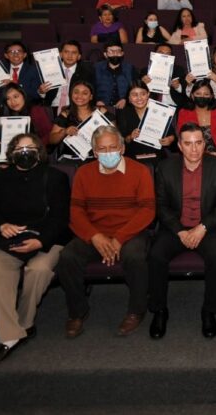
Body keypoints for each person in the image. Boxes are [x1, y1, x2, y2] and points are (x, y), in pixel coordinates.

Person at [56, 125, 155, 338]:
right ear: (94, 152)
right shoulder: (83, 173)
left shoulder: (140, 171)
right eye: (102, 149)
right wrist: (95, 236)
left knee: (134, 256)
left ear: (122, 148)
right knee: (67, 257)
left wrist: (119, 239)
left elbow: (147, 210)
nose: (108, 153)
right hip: (95, 232)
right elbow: (76, 211)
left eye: (113, 147)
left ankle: (136, 310)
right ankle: (77, 312)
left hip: (130, 232)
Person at [0, 133, 70, 363]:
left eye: (30, 148)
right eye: (19, 149)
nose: (24, 153)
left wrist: (41, 241)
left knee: (39, 270)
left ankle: (25, 322)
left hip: (46, 238)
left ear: (39, 152)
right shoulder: (1, 178)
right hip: (11, 238)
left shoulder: (55, 177)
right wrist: (2, 225)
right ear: (11, 154)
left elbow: (61, 219)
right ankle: (10, 336)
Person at [148, 123, 216, 340]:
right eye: (188, 144)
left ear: (205, 144)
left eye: (198, 143)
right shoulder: (165, 168)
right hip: (175, 228)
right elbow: (161, 206)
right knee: (156, 255)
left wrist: (202, 228)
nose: (194, 149)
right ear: (179, 146)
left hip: (208, 227)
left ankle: (209, 311)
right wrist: (180, 231)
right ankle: (159, 310)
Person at [49, 80, 113, 163]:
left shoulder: (101, 111)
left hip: (97, 158)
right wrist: (65, 131)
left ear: (91, 97)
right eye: (76, 92)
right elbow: (52, 140)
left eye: (85, 93)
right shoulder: (66, 114)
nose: (79, 96)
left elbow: (115, 135)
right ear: (71, 94)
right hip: (70, 159)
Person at [116, 80, 175, 164]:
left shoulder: (159, 111)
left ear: (148, 94)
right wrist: (130, 137)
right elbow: (121, 140)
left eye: (143, 94)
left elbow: (172, 135)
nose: (139, 98)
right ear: (129, 98)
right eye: (134, 95)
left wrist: (170, 139)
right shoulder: (124, 113)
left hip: (157, 156)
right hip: (134, 157)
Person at [0, 83, 53, 156]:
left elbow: (49, 135)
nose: (13, 102)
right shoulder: (1, 113)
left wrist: (35, 146)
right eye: (8, 99)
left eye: (16, 97)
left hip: (34, 155)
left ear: (23, 95)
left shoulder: (36, 111)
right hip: (8, 157)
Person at [40, 41, 96, 113]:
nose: (70, 56)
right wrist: (41, 92)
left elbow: (91, 96)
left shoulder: (87, 73)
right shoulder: (50, 70)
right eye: (66, 52)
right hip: (51, 108)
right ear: (60, 54)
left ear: (79, 56)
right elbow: (40, 96)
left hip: (74, 109)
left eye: (74, 53)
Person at [94, 41, 138, 110]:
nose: (115, 54)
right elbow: (89, 87)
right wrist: (96, 101)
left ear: (122, 53)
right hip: (100, 107)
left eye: (118, 51)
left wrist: (126, 99)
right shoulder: (96, 68)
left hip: (124, 108)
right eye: (111, 51)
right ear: (105, 54)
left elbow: (135, 87)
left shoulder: (130, 68)